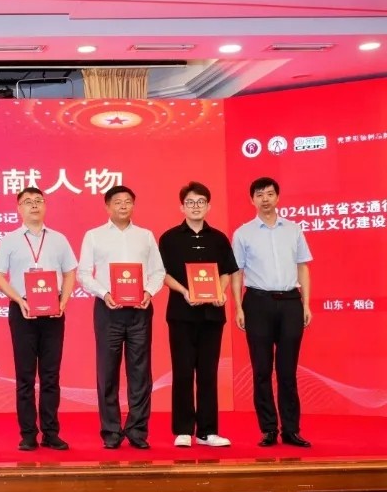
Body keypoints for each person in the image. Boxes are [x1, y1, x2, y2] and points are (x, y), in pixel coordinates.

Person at [77, 185, 165, 449]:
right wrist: (104, 293)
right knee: (107, 372)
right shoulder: (94, 236)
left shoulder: (145, 236)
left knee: (140, 373)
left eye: (128, 201)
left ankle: (137, 431)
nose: (123, 205)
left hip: (140, 311)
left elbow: (158, 271)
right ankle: (111, 431)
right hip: (108, 310)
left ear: (133, 205)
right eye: (117, 202)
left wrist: (149, 291)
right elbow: (83, 273)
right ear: (107, 206)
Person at [0, 187, 77, 451]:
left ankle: (51, 432)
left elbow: (70, 272)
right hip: (23, 311)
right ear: (19, 208)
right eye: (27, 202)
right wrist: (19, 300)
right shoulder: (10, 240)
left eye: (38, 200)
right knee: (25, 376)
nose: (34, 205)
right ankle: (28, 433)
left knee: (51, 376)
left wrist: (63, 301)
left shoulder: (59, 239)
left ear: (45, 205)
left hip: (53, 312)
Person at [231, 177, 313, 448]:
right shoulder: (243, 233)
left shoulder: (294, 229)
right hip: (257, 303)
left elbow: (302, 267)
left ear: (277, 197)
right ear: (252, 200)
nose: (265, 199)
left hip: (290, 302)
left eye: (269, 194)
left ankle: (291, 430)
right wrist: (238, 307)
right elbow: (237, 273)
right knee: (261, 370)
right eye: (259, 195)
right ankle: (268, 429)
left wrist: (306, 304)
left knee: (287, 371)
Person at [158, 182, 238, 448]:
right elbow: (162, 274)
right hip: (181, 314)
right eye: (190, 202)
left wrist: (220, 291)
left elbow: (226, 272)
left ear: (208, 206)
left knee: (208, 373)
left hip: (212, 315)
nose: (195, 206)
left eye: (200, 202)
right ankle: (183, 430)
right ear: (182, 207)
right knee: (182, 372)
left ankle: (207, 431)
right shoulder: (169, 238)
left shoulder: (219, 239)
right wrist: (184, 291)